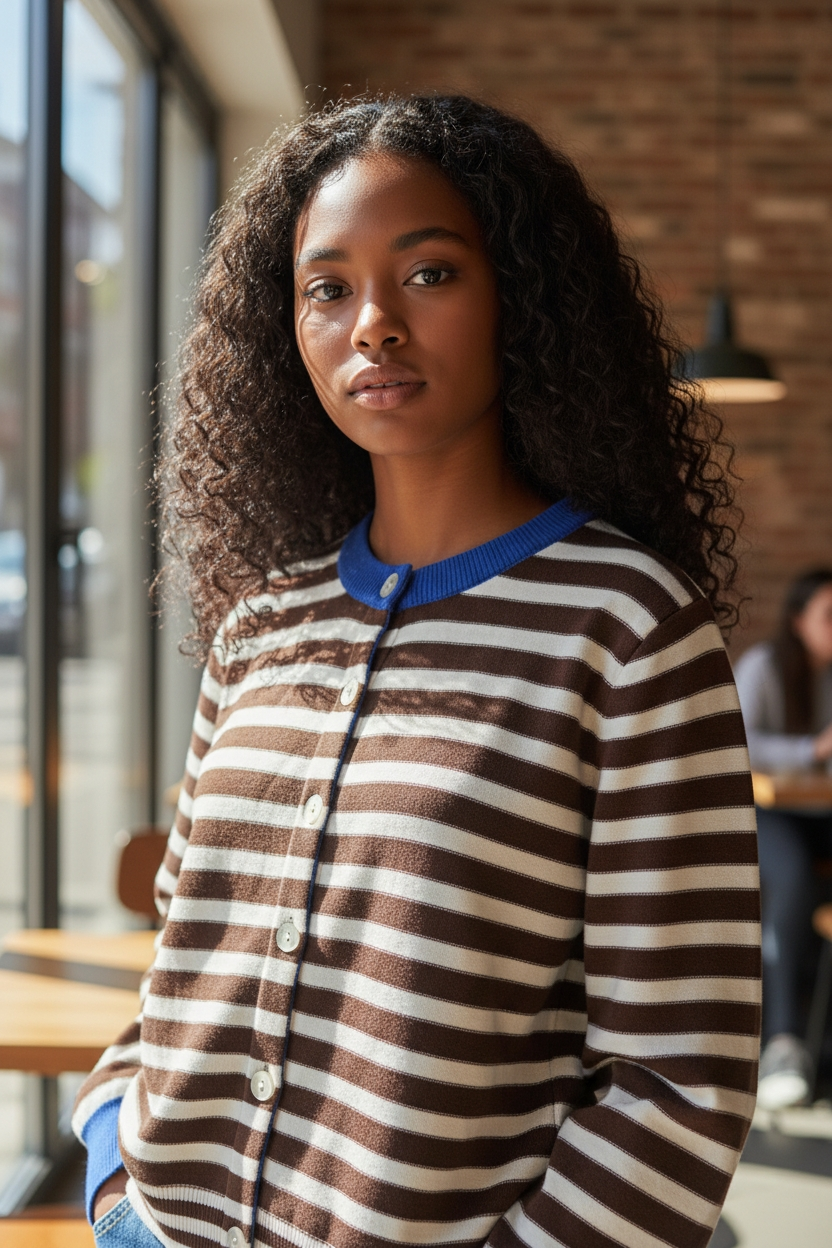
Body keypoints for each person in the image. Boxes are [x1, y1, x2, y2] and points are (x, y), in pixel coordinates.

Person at [72, 95, 760, 1248]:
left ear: (519, 302)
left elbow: (677, 1085)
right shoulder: (263, 626)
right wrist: (108, 1170)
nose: (372, 325)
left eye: (429, 274)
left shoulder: (627, 626)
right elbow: (182, 962)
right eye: (327, 288)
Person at [734, 569, 832, 1110]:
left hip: (822, 813)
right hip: (767, 812)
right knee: (791, 877)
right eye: (828, 615)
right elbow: (739, 744)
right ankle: (784, 1040)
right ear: (799, 621)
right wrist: (812, 751)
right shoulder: (763, 668)